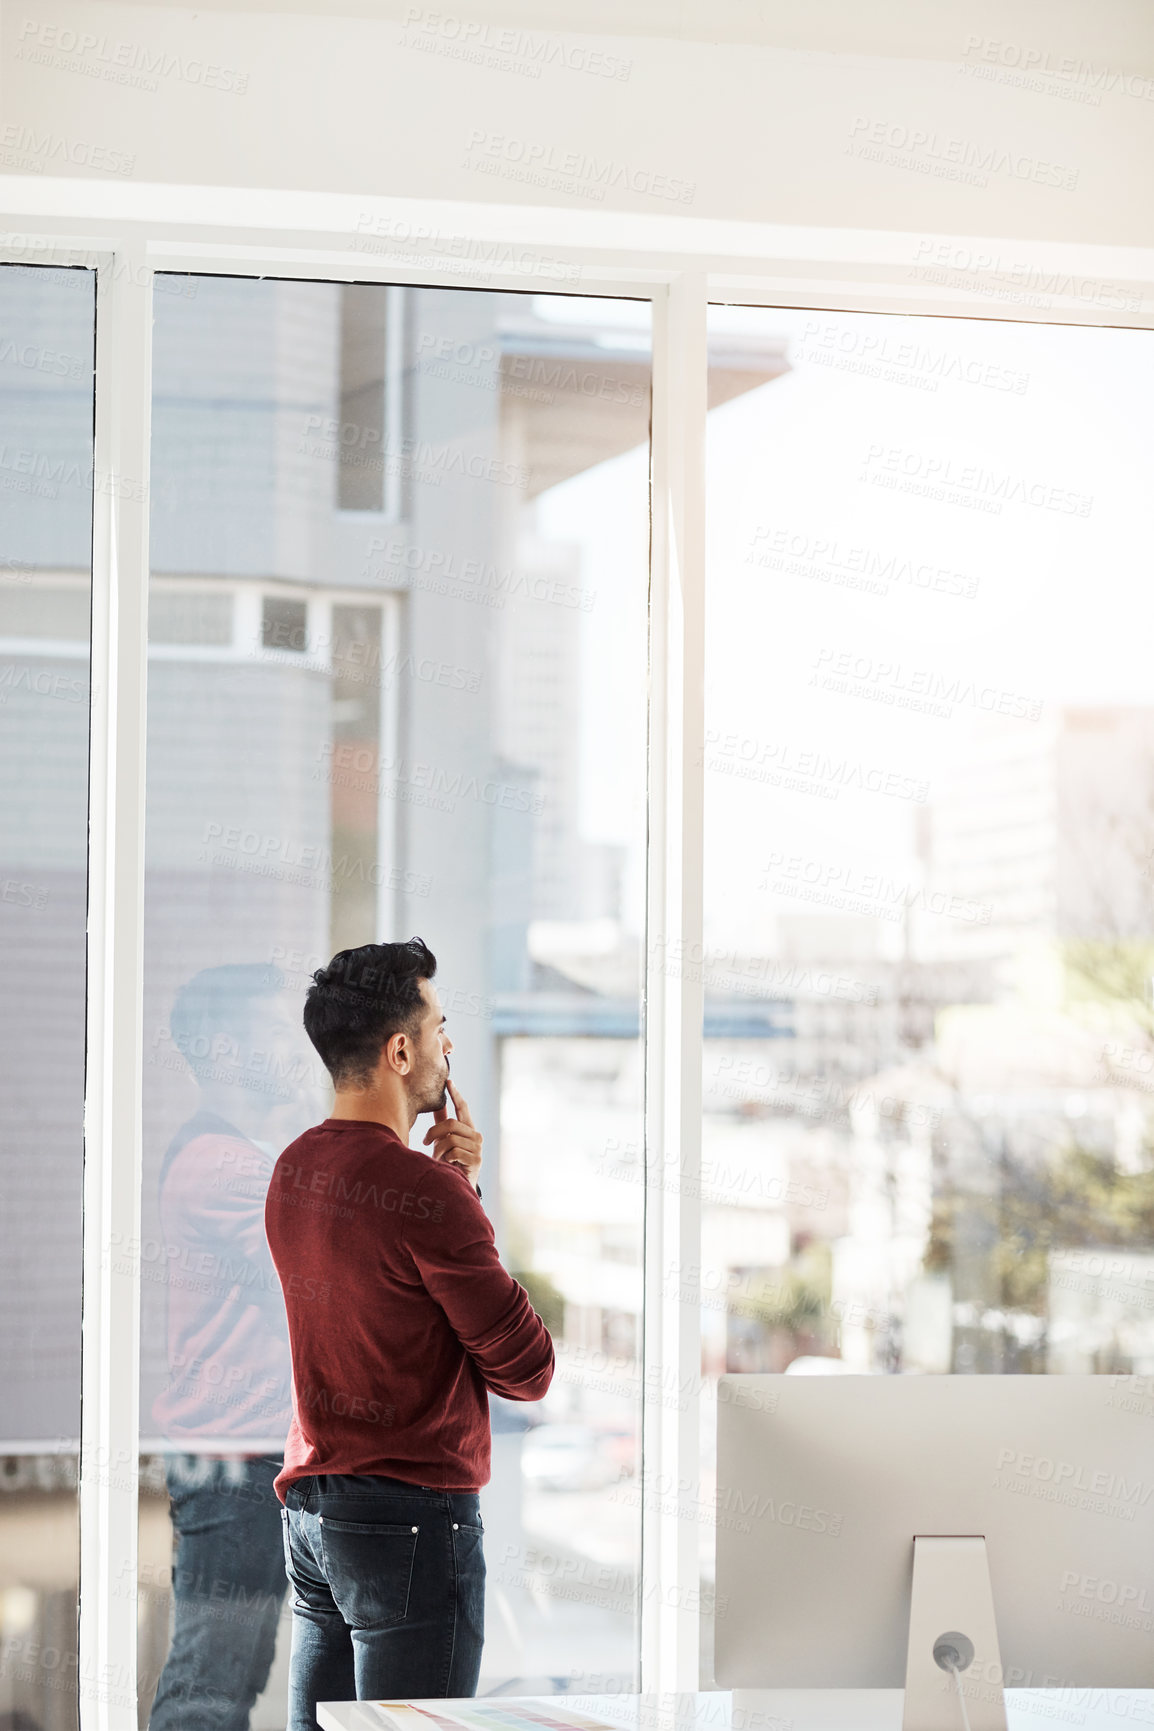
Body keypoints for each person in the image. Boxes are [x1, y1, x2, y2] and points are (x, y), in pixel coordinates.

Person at [265, 938, 554, 1729]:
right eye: (439, 1025)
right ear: (401, 1049)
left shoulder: (292, 1170)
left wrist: (453, 1189)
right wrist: (462, 1192)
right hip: (413, 1524)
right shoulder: (426, 1191)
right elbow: (528, 1368)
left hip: (316, 1519)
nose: (447, 1044)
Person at [148, 963, 323, 1731]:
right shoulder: (222, 1167)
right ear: (223, 1050)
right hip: (231, 1460)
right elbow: (333, 1256)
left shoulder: (246, 1154)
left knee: (234, 1677)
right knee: (209, 1685)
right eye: (275, 1029)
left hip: (245, 1457)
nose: (296, 1045)